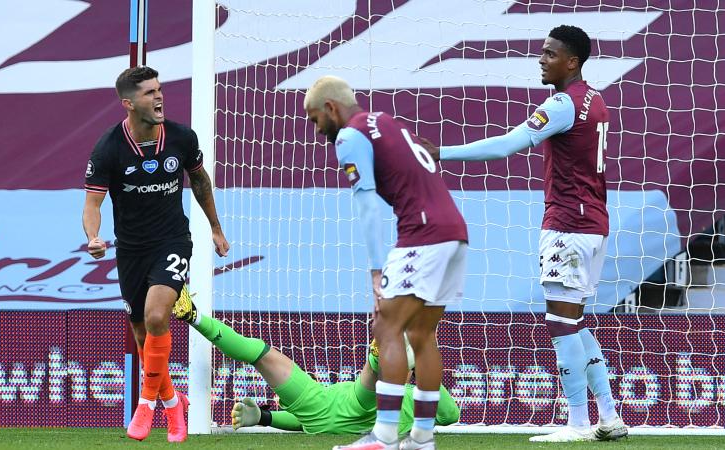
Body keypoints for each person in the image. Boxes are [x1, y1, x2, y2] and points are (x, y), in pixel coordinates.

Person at [426, 25, 627, 443]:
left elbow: (505, 146)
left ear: (572, 61)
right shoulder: (596, 99)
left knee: (559, 323)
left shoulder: (561, 104)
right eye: (541, 52)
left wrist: (440, 152)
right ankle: (608, 416)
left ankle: (577, 424)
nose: (541, 59)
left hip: (569, 225)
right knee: (574, 322)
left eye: (550, 54)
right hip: (592, 224)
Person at [304, 76, 469, 450]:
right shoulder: (385, 120)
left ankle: (383, 437)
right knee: (422, 335)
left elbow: (366, 204)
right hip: (455, 232)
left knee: (386, 326)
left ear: (331, 108)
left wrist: (377, 269)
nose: (317, 131)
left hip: (423, 235)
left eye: (315, 120)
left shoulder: (348, 137)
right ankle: (423, 439)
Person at [81, 66, 229, 442]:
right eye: (149, 93)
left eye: (160, 90)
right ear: (129, 103)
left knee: (157, 314)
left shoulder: (180, 137)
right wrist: (94, 236)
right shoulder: (109, 148)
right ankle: (172, 402)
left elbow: (199, 180)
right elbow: (92, 203)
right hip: (130, 249)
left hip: (172, 242)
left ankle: (145, 405)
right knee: (142, 333)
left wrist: (214, 227)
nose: (159, 97)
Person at [171, 286, 460, 435]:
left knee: (260, 353)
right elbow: (304, 424)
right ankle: (378, 361)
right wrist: (265, 417)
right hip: (321, 415)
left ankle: (193, 316)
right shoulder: (419, 398)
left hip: (328, 407)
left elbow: (451, 416)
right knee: (369, 396)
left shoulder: (411, 395)